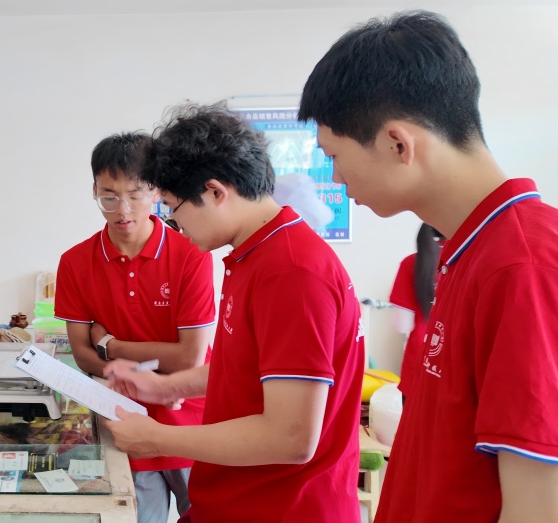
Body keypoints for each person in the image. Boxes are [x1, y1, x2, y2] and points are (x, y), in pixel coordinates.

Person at [298, 10, 558, 522]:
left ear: (397, 143)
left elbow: (546, 512)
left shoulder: (525, 266)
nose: (336, 177)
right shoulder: (471, 251)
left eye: (334, 156)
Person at [102, 105, 364, 522]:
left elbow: (291, 437)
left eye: (173, 207)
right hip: (237, 499)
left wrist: (158, 438)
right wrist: (165, 388)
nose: (174, 224)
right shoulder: (254, 255)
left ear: (214, 192)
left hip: (281, 508)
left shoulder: (290, 272)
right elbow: (248, 365)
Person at [54, 131, 215, 523]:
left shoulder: (191, 255)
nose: (122, 210)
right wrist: (118, 366)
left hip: (192, 421)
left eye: (136, 194)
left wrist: (110, 344)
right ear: (95, 190)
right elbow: (82, 354)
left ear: (156, 190)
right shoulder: (75, 262)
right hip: (126, 422)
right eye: (109, 197)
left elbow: (189, 358)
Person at [387, 222, 442, 403]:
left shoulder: (412, 263)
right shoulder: (471, 260)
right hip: (458, 364)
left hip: (420, 359)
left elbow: (402, 325)